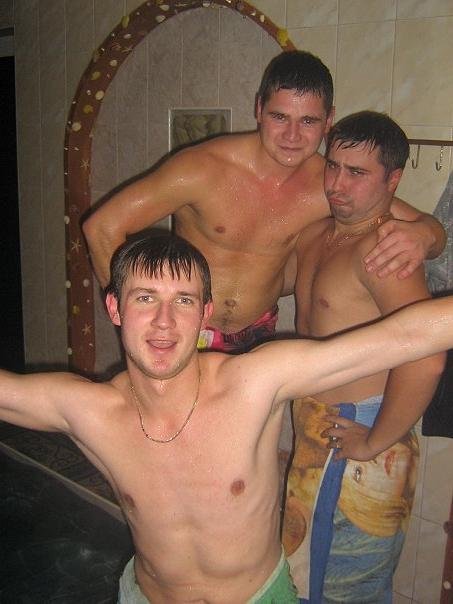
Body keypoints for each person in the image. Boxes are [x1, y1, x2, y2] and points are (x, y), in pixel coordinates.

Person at [2, 232, 453, 603]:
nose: (164, 321)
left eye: (183, 301)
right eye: (145, 298)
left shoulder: (254, 383)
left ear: (205, 315)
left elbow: (404, 335)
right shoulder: (91, 411)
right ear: (115, 308)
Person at [82, 51, 445, 354]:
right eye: (279, 117)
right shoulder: (201, 169)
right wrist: (135, 317)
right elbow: (101, 227)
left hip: (259, 334)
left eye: (308, 121)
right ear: (259, 108)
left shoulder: (329, 182)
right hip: (187, 330)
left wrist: (425, 235)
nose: (292, 135)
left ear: (328, 122)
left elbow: (430, 230)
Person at [281, 111, 446, 603]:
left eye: (357, 173)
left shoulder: (385, 251)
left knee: (348, 592)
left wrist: (374, 441)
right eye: (332, 166)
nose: (336, 184)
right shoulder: (316, 235)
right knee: (306, 580)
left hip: (362, 431)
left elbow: (427, 360)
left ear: (393, 180)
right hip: (319, 428)